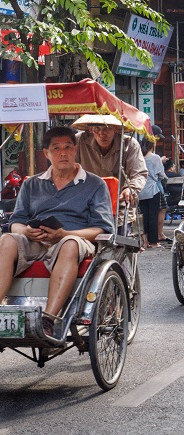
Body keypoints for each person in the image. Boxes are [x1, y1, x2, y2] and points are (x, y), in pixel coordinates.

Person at [0, 126, 114, 337]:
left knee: (69, 244)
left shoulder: (94, 184)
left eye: (68, 147)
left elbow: (102, 227)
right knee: (6, 240)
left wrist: (64, 234)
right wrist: (25, 231)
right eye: (56, 148)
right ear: (46, 153)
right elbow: (15, 221)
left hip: (75, 239)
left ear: (75, 149)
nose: (63, 153)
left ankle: (48, 320)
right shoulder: (31, 184)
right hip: (36, 241)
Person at [72, 114, 148, 229]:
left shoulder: (130, 144)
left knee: (119, 241)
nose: (102, 134)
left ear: (116, 129)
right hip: (86, 205)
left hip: (119, 205)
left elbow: (139, 173)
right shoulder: (78, 141)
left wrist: (131, 188)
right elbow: (69, 170)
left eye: (107, 128)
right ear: (91, 129)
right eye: (97, 129)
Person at [139, 139, 166, 248]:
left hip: (140, 189)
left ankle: (144, 241)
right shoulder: (155, 158)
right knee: (153, 215)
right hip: (152, 190)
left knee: (144, 215)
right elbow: (161, 174)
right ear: (152, 145)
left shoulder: (140, 157)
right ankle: (153, 242)